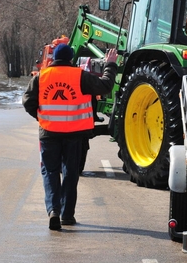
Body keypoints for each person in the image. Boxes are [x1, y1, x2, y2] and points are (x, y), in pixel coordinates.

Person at [22, 44, 118, 231]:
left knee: (50, 172)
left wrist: (42, 117)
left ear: (54, 59)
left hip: (49, 133)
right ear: (71, 59)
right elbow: (105, 86)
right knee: (70, 173)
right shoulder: (79, 76)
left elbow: (27, 101)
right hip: (75, 135)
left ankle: (53, 211)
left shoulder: (42, 77)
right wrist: (110, 65)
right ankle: (67, 215)